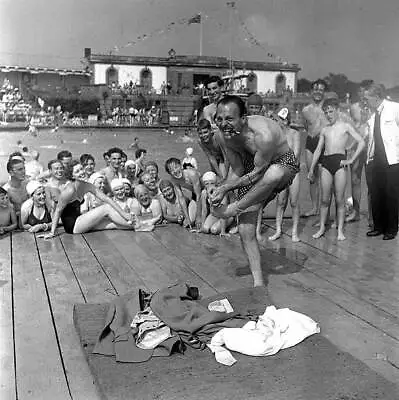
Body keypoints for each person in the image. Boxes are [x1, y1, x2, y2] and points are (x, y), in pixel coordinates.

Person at [210, 95, 300, 287]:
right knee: (245, 229)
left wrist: (233, 202)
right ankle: (258, 283)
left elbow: (260, 173)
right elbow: (237, 170)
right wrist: (221, 191)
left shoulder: (263, 135)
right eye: (219, 119)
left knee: (273, 174)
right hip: (252, 167)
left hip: (282, 164)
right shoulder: (222, 136)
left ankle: (235, 209)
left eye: (229, 119)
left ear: (243, 118)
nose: (223, 124)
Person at [308, 98, 365, 241]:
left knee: (340, 200)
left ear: (337, 111)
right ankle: (322, 228)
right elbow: (318, 150)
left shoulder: (345, 126)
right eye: (326, 112)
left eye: (331, 111)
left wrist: (351, 159)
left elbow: (361, 142)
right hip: (326, 163)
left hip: (340, 164)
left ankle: (340, 230)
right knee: (325, 200)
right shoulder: (325, 129)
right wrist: (311, 168)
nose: (328, 114)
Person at [41, 161, 135, 238]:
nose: (81, 172)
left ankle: (141, 224)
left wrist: (123, 214)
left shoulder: (87, 186)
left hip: (80, 222)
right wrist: (52, 232)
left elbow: (107, 199)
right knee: (106, 208)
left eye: (81, 169)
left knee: (113, 223)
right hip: (72, 226)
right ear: (72, 176)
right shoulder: (69, 190)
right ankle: (138, 225)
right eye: (77, 171)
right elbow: (58, 211)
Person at [364, 83, 399, 240]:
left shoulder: (394, 108)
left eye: (367, 99)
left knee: (391, 194)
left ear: (376, 98)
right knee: (377, 194)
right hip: (375, 160)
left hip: (392, 160)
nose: (365, 102)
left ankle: (391, 228)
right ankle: (379, 226)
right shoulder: (372, 116)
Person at [268, 108, 302, 242]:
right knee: (281, 202)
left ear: (285, 121)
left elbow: (296, 154)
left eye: (277, 120)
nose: (275, 123)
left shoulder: (295, 134)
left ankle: (294, 232)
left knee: (293, 202)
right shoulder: (276, 136)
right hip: (281, 171)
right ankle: (278, 230)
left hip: (293, 171)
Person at [346, 81, 373, 223]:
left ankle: (372, 214)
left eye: (366, 91)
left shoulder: (376, 107)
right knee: (355, 179)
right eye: (361, 91)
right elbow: (352, 128)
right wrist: (349, 148)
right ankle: (355, 212)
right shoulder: (354, 107)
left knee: (372, 181)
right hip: (357, 147)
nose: (363, 95)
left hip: (372, 148)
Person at [302, 79, 328, 217]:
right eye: (316, 89)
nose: (318, 92)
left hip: (324, 144)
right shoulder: (305, 110)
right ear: (311, 92)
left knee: (325, 178)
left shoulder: (328, 109)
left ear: (325, 92)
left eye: (321, 90)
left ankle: (324, 207)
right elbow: (306, 126)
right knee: (311, 177)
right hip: (310, 143)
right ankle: (314, 207)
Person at [165, 157, 203, 229]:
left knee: (199, 220)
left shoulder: (192, 174)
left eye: (176, 167)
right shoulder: (174, 180)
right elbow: (181, 198)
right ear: (169, 173)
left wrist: (199, 216)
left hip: (204, 193)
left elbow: (199, 194)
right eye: (172, 170)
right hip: (195, 197)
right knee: (188, 223)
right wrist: (187, 217)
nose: (175, 171)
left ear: (181, 166)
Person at [200, 171, 233, 236]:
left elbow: (224, 211)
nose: (209, 185)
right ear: (204, 185)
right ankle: (219, 225)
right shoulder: (204, 193)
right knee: (205, 229)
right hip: (214, 215)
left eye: (212, 183)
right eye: (207, 184)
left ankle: (231, 223)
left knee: (214, 230)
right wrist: (202, 227)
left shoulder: (221, 192)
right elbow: (204, 210)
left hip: (226, 215)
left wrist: (223, 231)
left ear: (215, 183)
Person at [2, 158, 28, 227]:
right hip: (15, 226)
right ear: (11, 173)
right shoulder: (6, 191)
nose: (24, 172)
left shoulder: (27, 185)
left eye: (24, 168)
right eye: (20, 169)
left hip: (28, 222)